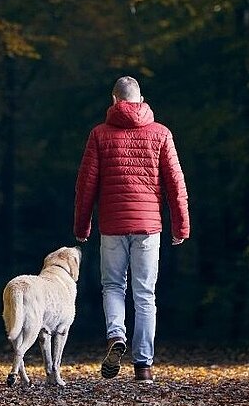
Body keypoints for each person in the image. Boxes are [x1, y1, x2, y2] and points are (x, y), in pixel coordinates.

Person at [73, 76, 190, 383]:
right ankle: (144, 366)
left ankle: (115, 336)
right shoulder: (161, 134)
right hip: (149, 227)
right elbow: (176, 185)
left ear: (114, 101)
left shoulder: (99, 135)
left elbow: (86, 186)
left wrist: (82, 226)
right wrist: (181, 225)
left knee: (113, 286)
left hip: (112, 225)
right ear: (141, 100)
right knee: (145, 295)